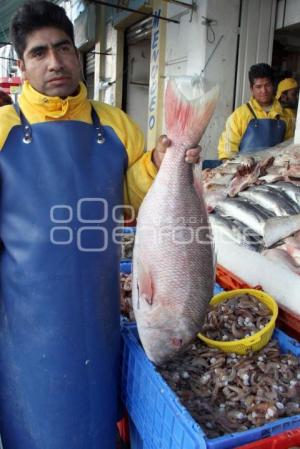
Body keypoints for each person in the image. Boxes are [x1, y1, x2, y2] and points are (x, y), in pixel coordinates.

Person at [0, 2, 200, 449]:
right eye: (38, 53)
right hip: (26, 318)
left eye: (63, 48)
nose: (54, 62)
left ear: (78, 53)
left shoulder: (114, 125)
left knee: (95, 422)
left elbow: (130, 202)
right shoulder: (4, 127)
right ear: (21, 64)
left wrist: (158, 163)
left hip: (99, 307)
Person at [218, 63, 295, 159]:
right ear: (251, 89)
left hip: (275, 172)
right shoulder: (239, 115)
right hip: (245, 171)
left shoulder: (287, 115)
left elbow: (290, 149)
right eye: (258, 87)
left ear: (273, 86)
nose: (264, 91)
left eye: (268, 85)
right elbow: (227, 151)